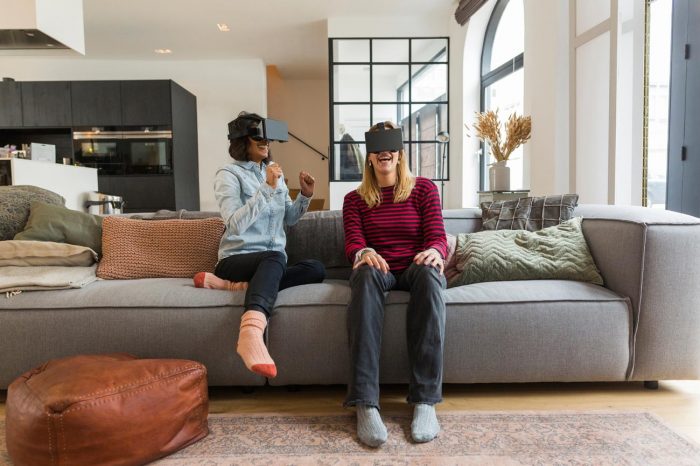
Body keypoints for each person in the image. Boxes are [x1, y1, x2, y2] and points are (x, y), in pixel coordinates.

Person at [194, 111, 325, 379]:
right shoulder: (229, 174)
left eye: (266, 136)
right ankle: (251, 332)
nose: (264, 141)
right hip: (236, 259)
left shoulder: (274, 171)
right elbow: (234, 224)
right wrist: (266, 188)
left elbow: (289, 218)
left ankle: (235, 288)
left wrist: (305, 195)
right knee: (275, 258)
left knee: (316, 269)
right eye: (257, 136)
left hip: (269, 263)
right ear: (243, 140)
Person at [342, 121, 448, 447]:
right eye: (377, 148)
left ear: (400, 154)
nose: (384, 153)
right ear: (370, 158)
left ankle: (425, 401)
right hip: (380, 268)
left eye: (390, 147)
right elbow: (353, 243)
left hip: (415, 265)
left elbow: (438, 237)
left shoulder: (424, 190)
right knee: (362, 273)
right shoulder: (354, 199)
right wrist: (364, 251)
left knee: (432, 276)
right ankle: (365, 402)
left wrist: (434, 251)